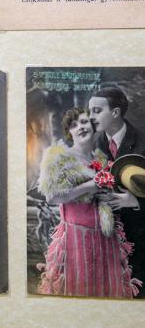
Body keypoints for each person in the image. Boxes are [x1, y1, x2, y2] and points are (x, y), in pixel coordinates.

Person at [37, 107, 140, 298]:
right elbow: (52, 197)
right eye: (74, 125)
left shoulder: (102, 160)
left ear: (93, 126)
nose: (80, 127)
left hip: (106, 237)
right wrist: (89, 185)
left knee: (107, 291)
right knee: (79, 290)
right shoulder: (60, 158)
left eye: (84, 122)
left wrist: (126, 198)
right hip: (76, 237)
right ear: (70, 132)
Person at [89, 86, 145, 297]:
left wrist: (135, 201)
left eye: (97, 111)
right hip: (106, 239)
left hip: (140, 237)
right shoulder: (94, 143)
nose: (91, 117)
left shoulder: (142, 141)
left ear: (115, 112)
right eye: (90, 111)